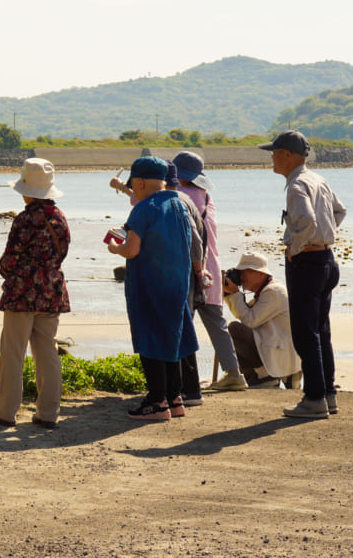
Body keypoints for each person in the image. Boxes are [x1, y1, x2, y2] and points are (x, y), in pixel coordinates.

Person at [259, 130, 346, 419]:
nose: (271, 157)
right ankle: (327, 393)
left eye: (274, 152)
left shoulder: (296, 185)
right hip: (327, 260)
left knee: (305, 334)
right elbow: (339, 211)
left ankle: (314, 398)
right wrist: (324, 235)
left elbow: (307, 220)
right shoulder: (318, 179)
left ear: (287, 155)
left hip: (307, 262)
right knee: (321, 331)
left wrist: (296, 247)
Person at [108, 156, 198, 421]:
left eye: (133, 184)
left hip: (149, 282)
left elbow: (132, 249)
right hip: (178, 284)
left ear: (140, 182)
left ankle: (156, 401)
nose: (132, 188)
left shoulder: (143, 209)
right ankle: (174, 397)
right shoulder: (178, 203)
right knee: (173, 339)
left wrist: (115, 248)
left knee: (150, 341)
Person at [0, 158, 70, 429]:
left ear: (27, 190)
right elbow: (62, 253)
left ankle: (6, 413)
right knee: (48, 353)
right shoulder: (59, 218)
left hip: (22, 291)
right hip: (52, 289)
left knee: (12, 353)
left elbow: (9, 259)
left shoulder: (25, 219)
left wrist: (10, 272)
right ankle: (48, 414)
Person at [171, 151, 248, 393]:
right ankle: (234, 373)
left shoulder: (180, 197)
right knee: (217, 324)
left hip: (190, 268)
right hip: (212, 269)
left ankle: (182, 380)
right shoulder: (206, 197)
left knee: (182, 325)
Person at [222, 252, 302, 389]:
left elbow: (249, 321)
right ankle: (259, 375)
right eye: (240, 273)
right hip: (276, 346)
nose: (242, 277)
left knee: (235, 329)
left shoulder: (273, 292)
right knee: (237, 329)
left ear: (261, 274)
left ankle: (264, 376)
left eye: (246, 272)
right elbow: (248, 316)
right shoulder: (267, 290)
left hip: (282, 352)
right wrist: (229, 294)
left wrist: (235, 294)